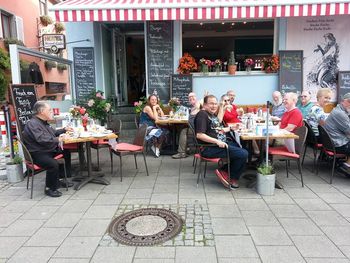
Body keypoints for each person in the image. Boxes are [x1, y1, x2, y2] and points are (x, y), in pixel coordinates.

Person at [195, 95, 248, 189]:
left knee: (243, 149)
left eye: (215, 104)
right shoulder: (202, 115)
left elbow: (217, 129)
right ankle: (227, 174)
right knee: (243, 153)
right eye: (211, 103)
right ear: (205, 104)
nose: (214, 106)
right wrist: (217, 142)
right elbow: (200, 135)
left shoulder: (210, 114)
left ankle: (227, 172)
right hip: (209, 148)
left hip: (218, 144)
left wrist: (231, 128)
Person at [22, 101, 73, 198]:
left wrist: (64, 130)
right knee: (52, 164)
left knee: (66, 152)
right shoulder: (33, 124)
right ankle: (50, 188)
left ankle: (59, 179)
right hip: (37, 153)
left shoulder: (43, 122)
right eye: (49, 110)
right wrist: (59, 139)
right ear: (41, 111)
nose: (51, 111)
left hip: (46, 149)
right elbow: (41, 139)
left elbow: (53, 133)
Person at [324, 93, 350, 174]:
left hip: (332, 142)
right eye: (349, 101)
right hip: (338, 144)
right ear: (343, 101)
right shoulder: (340, 114)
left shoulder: (338, 110)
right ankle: (347, 166)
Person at [172, 92, 200, 159]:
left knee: (184, 131)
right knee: (181, 129)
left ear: (196, 97)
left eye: (193, 96)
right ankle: (185, 148)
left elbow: (200, 104)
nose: (191, 98)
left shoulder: (199, 105)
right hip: (193, 128)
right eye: (189, 97)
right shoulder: (191, 108)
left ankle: (182, 152)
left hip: (198, 130)